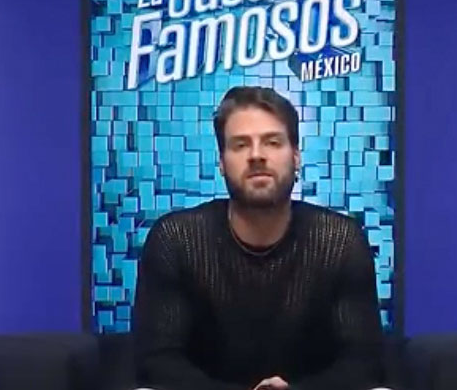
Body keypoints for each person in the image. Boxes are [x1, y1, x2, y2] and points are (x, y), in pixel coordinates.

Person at [132, 86, 387, 390]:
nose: (256, 156)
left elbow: (363, 361)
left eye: (272, 142)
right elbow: (157, 361)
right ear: (222, 162)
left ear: (296, 156)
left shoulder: (340, 240)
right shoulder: (176, 240)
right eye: (240, 145)